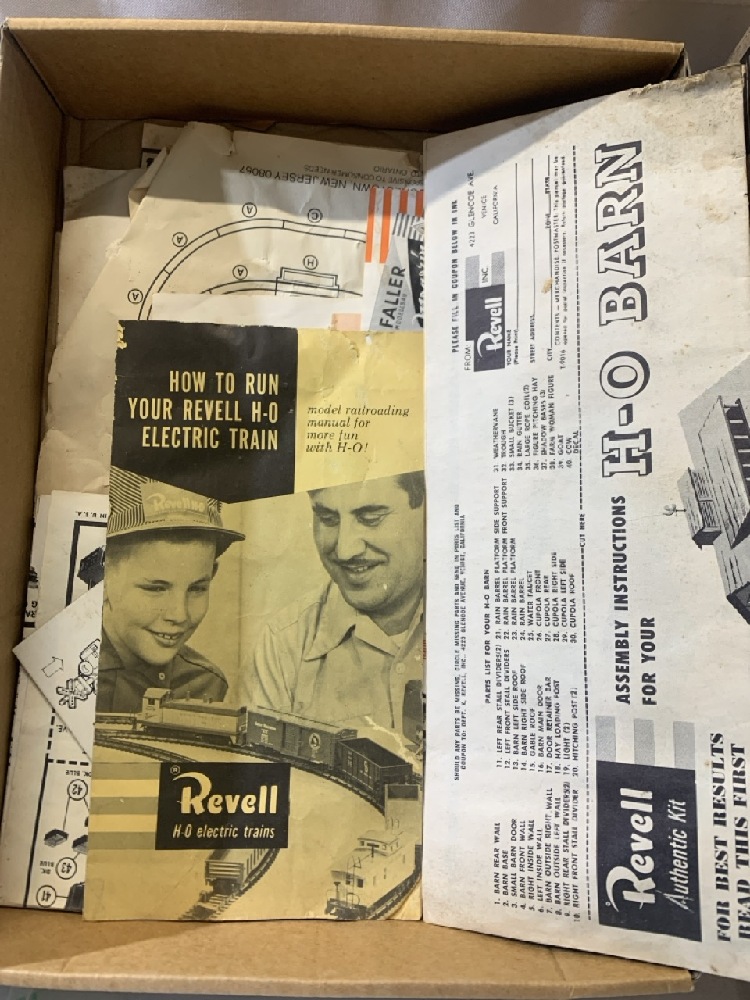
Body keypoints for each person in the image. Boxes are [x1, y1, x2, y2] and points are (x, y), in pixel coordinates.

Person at [242, 472, 425, 744]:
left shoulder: (479, 621)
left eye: (370, 518)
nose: (344, 550)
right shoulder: (283, 645)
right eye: (328, 519)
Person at [97, 468, 244, 713]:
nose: (179, 615)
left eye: (197, 588)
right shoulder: (65, 669)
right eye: (156, 588)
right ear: (101, 577)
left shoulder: (204, 685)